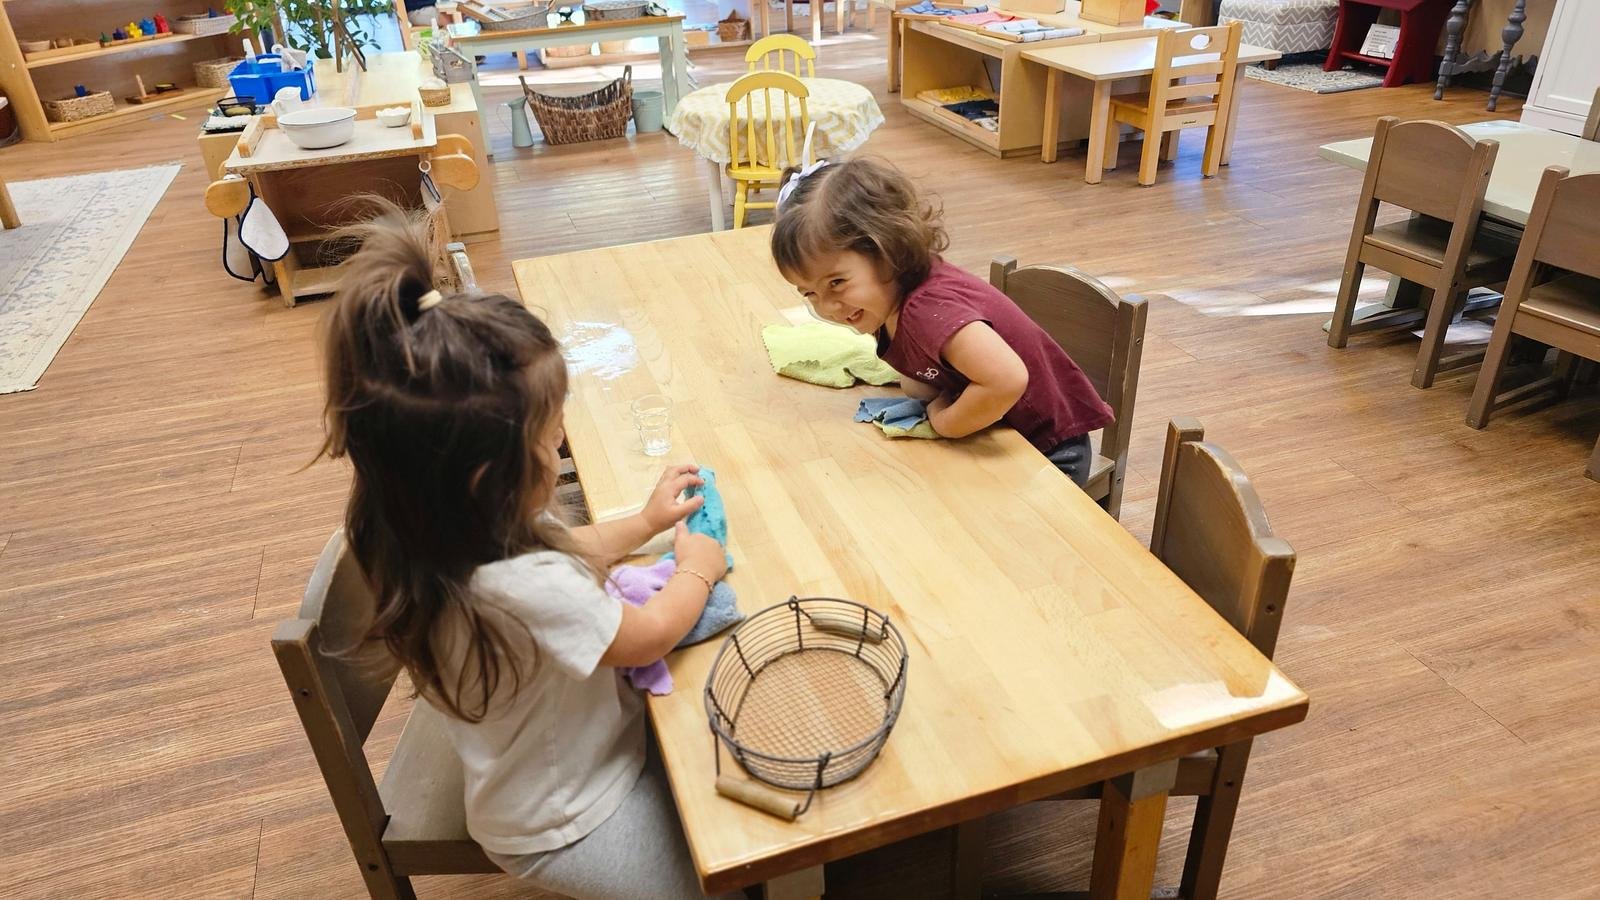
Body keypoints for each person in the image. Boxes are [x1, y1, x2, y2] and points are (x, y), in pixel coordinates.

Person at [318, 204, 736, 899]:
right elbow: (647, 636)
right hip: (569, 819)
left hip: (540, 772)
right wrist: (696, 566)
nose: (562, 444)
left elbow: (562, 543)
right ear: (488, 477)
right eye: (549, 438)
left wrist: (641, 523)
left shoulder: (432, 528)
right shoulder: (529, 585)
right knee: (720, 875)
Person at [771, 157, 1114, 486]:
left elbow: (1007, 379)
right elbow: (922, 373)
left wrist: (946, 423)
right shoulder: (886, 298)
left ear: (886, 249)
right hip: (1000, 436)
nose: (829, 306)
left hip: (1048, 452)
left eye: (836, 283)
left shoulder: (926, 310)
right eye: (809, 294)